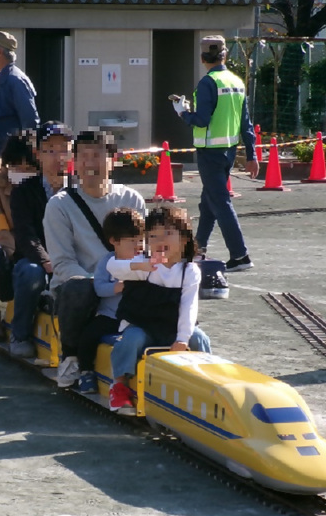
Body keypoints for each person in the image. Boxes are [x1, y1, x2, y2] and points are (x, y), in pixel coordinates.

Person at [43, 130, 146, 388]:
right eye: (83, 157)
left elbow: (144, 249)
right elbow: (63, 263)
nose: (90, 163)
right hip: (83, 288)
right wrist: (101, 286)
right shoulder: (60, 205)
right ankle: (71, 355)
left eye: (98, 155)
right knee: (79, 286)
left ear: (112, 160)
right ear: (74, 162)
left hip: (126, 283)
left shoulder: (131, 199)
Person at [106, 205, 212, 415]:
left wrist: (182, 338)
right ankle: (119, 386)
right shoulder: (146, 264)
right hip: (143, 325)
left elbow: (189, 308)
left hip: (171, 327)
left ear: (184, 239)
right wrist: (138, 267)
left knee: (199, 339)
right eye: (153, 235)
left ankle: (207, 384)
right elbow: (112, 266)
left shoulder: (189, 271)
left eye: (168, 233)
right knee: (131, 339)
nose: (160, 239)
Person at [173, 35, 259, 273]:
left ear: (202, 58)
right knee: (209, 202)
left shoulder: (207, 83)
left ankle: (240, 255)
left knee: (220, 202)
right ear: (225, 55)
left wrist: (182, 113)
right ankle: (198, 249)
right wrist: (252, 155)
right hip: (229, 151)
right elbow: (246, 123)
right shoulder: (236, 82)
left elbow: (201, 120)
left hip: (209, 151)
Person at [8, 121, 73, 358]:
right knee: (32, 273)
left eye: (64, 149)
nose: (58, 157)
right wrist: (48, 263)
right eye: (51, 150)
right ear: (38, 154)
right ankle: (20, 333)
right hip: (36, 260)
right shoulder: (24, 191)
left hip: (73, 259)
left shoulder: (80, 189)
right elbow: (26, 236)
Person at [0, 132, 39, 341]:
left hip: (41, 245)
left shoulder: (46, 183)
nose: (22, 172)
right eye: (16, 167)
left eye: (28, 168)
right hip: (9, 246)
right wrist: (18, 251)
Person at [75, 208, 145, 395]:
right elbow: (99, 288)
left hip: (134, 318)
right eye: (132, 241)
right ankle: (86, 371)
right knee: (88, 336)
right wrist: (118, 287)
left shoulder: (144, 261)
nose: (138, 245)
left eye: (140, 240)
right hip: (110, 316)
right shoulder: (107, 262)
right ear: (114, 241)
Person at [0, 31, 40, 160]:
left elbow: (30, 122)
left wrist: (23, 156)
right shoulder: (1, 79)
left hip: (10, 159)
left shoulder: (15, 80)